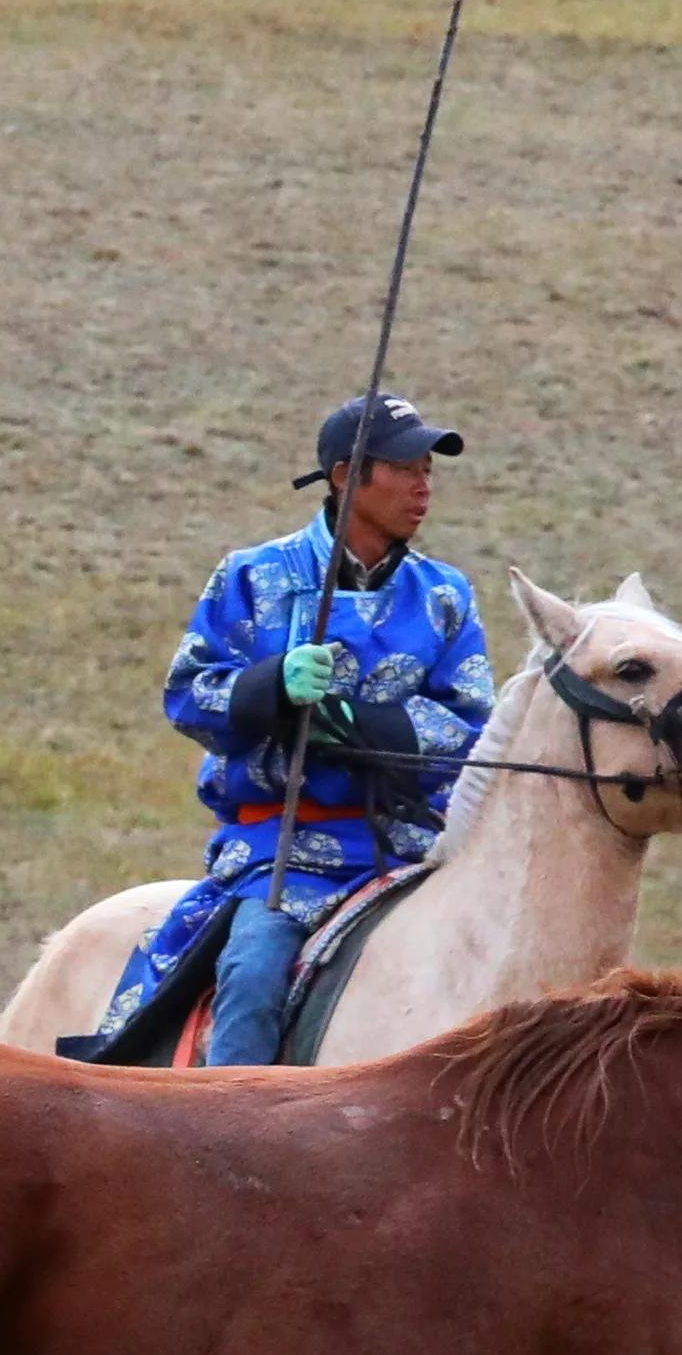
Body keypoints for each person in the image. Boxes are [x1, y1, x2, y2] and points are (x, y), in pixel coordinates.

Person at [88, 390, 496, 1066]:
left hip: (412, 852)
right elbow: (188, 694)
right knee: (250, 979)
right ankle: (225, 1137)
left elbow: (471, 726)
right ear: (345, 476)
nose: (423, 487)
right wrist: (268, 686)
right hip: (282, 851)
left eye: (429, 469)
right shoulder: (252, 575)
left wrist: (359, 722)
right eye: (405, 468)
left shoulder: (446, 593)